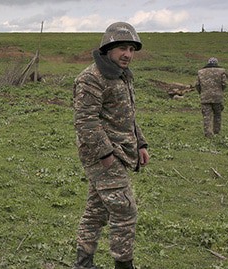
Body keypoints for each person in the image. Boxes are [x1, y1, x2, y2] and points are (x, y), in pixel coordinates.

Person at [72, 22, 150, 269]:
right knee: (125, 210)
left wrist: (140, 144)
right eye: (122, 49)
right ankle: (123, 265)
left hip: (121, 152)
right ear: (107, 49)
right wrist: (106, 155)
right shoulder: (91, 78)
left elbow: (128, 115)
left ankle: (83, 263)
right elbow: (85, 121)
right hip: (102, 155)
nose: (128, 54)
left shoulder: (122, 75)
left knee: (97, 210)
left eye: (131, 49)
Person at [195, 57, 227, 137]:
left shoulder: (200, 72)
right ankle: (216, 131)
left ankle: (208, 133)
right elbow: (224, 84)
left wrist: (201, 92)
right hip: (217, 97)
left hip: (205, 97)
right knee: (217, 114)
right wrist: (220, 91)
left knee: (206, 115)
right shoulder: (221, 71)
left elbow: (197, 85)